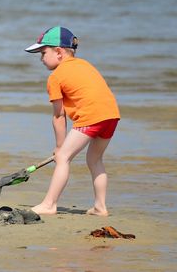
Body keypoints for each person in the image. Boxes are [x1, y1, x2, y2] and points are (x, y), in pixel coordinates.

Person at [24, 26, 119, 216]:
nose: (41, 59)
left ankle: (49, 204)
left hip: (90, 116)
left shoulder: (56, 77)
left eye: (43, 53)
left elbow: (59, 115)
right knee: (95, 159)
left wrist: (60, 146)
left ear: (58, 52)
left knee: (62, 158)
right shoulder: (85, 65)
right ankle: (100, 206)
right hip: (111, 114)